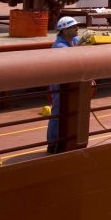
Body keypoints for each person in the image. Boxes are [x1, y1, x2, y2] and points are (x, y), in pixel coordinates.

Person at [46, 16, 80, 154]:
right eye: (73, 27)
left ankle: (67, 139)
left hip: (70, 81)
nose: (77, 28)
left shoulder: (73, 40)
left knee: (71, 110)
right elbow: (73, 56)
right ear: (65, 31)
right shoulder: (59, 47)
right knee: (58, 111)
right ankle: (52, 143)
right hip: (59, 84)